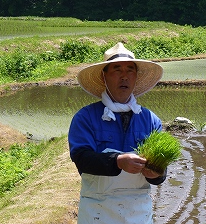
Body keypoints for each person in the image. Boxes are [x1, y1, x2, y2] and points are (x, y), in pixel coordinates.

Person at [68, 42, 167, 224]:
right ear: (104, 76)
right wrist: (117, 161)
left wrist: (157, 174)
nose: (124, 76)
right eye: (117, 70)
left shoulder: (150, 120)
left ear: (136, 77)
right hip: (98, 211)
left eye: (130, 70)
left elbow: (161, 173)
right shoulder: (86, 117)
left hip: (137, 211)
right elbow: (82, 159)